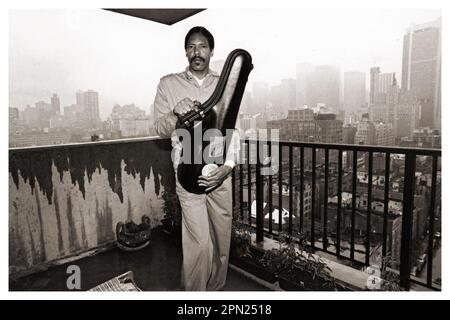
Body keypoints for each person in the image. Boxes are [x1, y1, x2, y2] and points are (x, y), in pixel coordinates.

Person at [153, 26, 240, 291]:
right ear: (186, 52)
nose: (196, 52)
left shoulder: (225, 84)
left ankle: (215, 289)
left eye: (202, 46)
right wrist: (175, 115)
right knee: (199, 243)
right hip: (188, 174)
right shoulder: (168, 84)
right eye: (191, 47)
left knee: (221, 239)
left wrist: (228, 166)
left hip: (219, 174)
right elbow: (158, 128)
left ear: (211, 51)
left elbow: (235, 126)